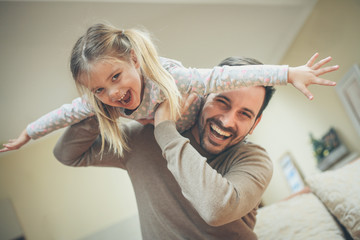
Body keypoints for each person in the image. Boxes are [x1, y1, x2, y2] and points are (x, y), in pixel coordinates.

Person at [52, 56, 331, 239]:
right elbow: (67, 154)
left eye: (245, 114)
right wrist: (107, 106)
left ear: (255, 125)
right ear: (203, 95)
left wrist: (165, 130)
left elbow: (217, 209)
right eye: (222, 102)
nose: (227, 120)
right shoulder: (139, 139)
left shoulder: (253, 159)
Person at [0, 22, 339, 155]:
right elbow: (64, 114)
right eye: (99, 89)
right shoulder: (104, 105)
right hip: (174, 136)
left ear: (134, 60)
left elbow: (221, 79)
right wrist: (29, 133)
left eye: (115, 77)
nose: (112, 93)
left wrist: (287, 72)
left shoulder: (172, 79)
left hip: (194, 123)